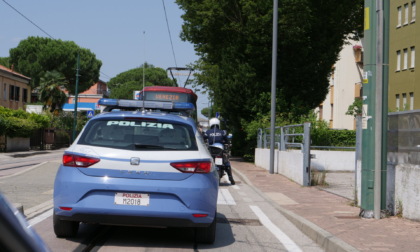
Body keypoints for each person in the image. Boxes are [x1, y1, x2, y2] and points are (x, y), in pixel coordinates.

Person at [204, 118, 235, 185]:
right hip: (220, 151)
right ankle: (231, 178)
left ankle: (205, 179)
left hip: (211, 151)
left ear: (211, 124)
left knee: (206, 163)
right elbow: (226, 140)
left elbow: (203, 139)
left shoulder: (207, 132)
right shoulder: (222, 132)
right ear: (218, 124)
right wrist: (227, 142)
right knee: (226, 162)